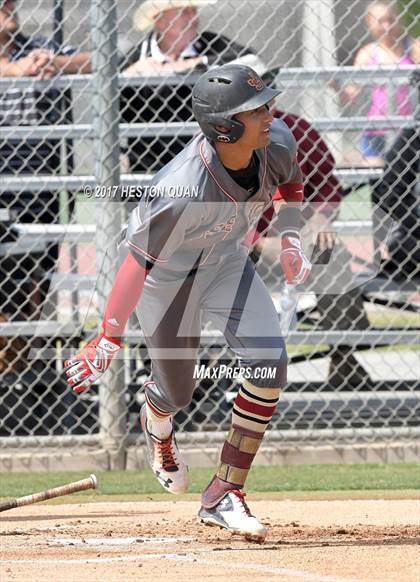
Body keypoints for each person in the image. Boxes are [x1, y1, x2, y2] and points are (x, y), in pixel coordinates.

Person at [65, 64, 311, 542]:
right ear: (223, 127)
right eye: (255, 110)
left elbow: (292, 185)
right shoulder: (181, 186)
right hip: (167, 277)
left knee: (270, 364)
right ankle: (157, 419)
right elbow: (137, 264)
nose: (269, 115)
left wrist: (292, 239)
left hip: (224, 262)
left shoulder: (276, 140)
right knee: (178, 394)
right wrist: (107, 338)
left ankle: (224, 493)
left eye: (265, 105)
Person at [250, 110, 370, 387]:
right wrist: (256, 240)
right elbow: (216, 203)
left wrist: (322, 217)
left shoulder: (296, 127)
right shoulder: (222, 136)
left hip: (299, 236)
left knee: (330, 252)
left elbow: (327, 182)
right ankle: (216, 370)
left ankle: (344, 356)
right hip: (247, 241)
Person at [0, 0, 91, 323]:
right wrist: (13, 71)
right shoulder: (16, 61)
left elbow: (96, 61)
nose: (9, 6)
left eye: (10, 2)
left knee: (37, 269)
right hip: (3, 173)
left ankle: (26, 351)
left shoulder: (36, 46)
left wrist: (54, 63)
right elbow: (12, 69)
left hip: (40, 171)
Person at [120, 0, 265, 173]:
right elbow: (115, 104)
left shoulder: (209, 44)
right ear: (159, 20)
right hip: (148, 162)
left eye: (193, 10)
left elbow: (251, 60)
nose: (194, 17)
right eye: (184, 12)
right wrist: (129, 74)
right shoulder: (138, 55)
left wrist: (194, 63)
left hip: (204, 158)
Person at [333, 0, 419, 166]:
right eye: (380, 21)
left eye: (391, 19)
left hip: (409, 129)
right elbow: (352, 94)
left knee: (409, 177)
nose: (387, 26)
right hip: (377, 130)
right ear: (370, 23)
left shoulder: (413, 47)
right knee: (378, 177)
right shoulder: (367, 53)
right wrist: (335, 85)